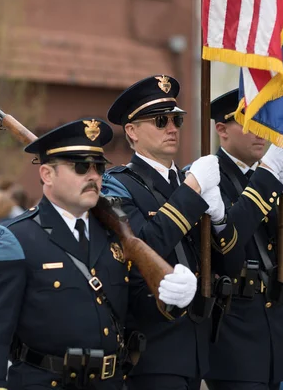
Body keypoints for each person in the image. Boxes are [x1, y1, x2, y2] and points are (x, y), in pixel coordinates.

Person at [0, 119, 199, 390]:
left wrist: (170, 296)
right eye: (81, 167)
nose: (93, 176)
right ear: (47, 175)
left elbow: (133, 309)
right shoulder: (15, 238)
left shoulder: (116, 235)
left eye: (98, 167)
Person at [101, 74, 236, 390]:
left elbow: (223, 261)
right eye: (161, 121)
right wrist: (191, 191)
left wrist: (220, 221)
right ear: (132, 132)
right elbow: (142, 246)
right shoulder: (117, 184)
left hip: (199, 345)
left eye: (176, 119)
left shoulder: (190, 182)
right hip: (154, 348)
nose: (172, 128)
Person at [204, 90, 283, 390]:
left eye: (263, 123)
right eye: (249, 122)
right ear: (221, 130)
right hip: (232, 337)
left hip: (275, 333)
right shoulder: (208, 178)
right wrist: (267, 176)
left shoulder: (272, 182)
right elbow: (226, 249)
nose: (260, 133)